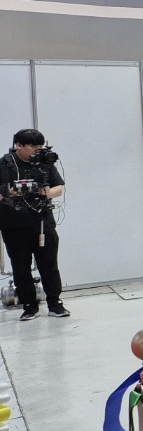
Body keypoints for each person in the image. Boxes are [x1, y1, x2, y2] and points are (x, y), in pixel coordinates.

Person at [0, 128, 68, 319]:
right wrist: (9, 193)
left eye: (40, 146)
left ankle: (55, 302)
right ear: (19, 145)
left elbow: (58, 188)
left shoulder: (44, 162)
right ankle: (29, 305)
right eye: (33, 146)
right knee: (20, 265)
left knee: (49, 263)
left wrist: (45, 192)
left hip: (42, 221)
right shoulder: (5, 165)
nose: (37, 150)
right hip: (13, 223)